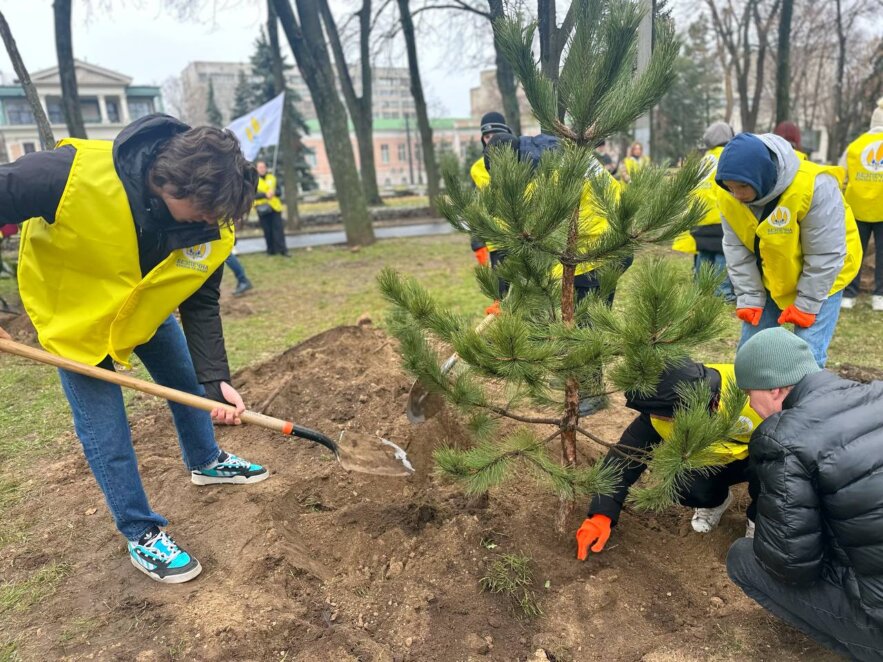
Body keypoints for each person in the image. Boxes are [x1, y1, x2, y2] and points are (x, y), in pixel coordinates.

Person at [0, 114, 268, 584]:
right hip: (77, 321)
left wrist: (216, 378)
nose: (209, 223)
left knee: (187, 383)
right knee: (108, 431)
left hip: (142, 308)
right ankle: (141, 532)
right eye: (201, 211)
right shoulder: (66, 174)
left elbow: (201, 300)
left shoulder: (211, 218)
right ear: (166, 181)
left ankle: (206, 461)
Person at [727, 327, 883, 660]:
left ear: (774, 390)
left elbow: (792, 566)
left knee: (742, 559)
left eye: (749, 394)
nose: (751, 406)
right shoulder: (877, 395)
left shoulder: (785, 438)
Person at [575, 360, 762, 560]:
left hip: (760, 457)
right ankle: (716, 502)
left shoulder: (751, 394)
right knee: (682, 483)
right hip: (713, 462)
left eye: (662, 416)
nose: (657, 418)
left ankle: (758, 521)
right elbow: (625, 456)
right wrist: (601, 513)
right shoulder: (662, 408)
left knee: (777, 473)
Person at [715, 132, 862, 367]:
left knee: (806, 354)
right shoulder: (728, 197)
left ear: (762, 175)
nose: (737, 195)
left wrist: (807, 304)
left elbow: (824, 254)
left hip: (825, 274)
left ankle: (804, 402)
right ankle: (753, 402)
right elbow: (737, 251)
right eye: (730, 187)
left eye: (743, 186)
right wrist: (750, 297)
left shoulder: (814, 186)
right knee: (752, 350)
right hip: (773, 272)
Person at [672, 121, 736, 302]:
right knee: (723, 254)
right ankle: (722, 292)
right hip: (720, 215)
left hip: (699, 216)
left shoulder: (705, 160)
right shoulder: (728, 157)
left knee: (704, 252)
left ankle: (701, 288)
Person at [840, 98, 883, 311]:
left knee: (854, 252)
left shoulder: (856, 146)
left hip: (856, 207)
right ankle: (880, 297)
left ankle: (849, 294)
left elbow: (842, 175)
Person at [469, 112, 514, 268]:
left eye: (496, 135)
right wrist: (477, 241)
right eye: (487, 137)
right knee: (502, 291)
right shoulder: (477, 169)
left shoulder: (523, 159)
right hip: (497, 242)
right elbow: (476, 207)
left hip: (526, 237)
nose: (492, 140)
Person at [254, 160, 288, 256]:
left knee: (278, 230)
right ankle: (271, 251)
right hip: (262, 208)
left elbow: (279, 192)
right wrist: (265, 195)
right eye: (260, 167)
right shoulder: (254, 180)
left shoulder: (272, 178)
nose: (262, 169)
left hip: (275, 207)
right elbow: (253, 194)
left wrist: (274, 193)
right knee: (267, 231)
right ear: (256, 169)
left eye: (263, 167)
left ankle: (283, 250)